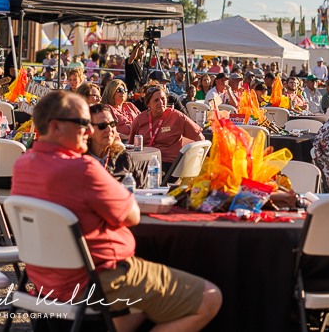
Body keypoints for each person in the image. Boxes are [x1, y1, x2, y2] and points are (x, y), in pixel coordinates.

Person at [12, 90, 221, 328]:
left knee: (141, 309)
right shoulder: (83, 168)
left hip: (47, 281)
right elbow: (132, 215)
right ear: (56, 127)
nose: (89, 131)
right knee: (210, 298)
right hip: (99, 279)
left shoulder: (22, 164)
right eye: (83, 123)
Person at [128, 85, 202, 167]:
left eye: (163, 99)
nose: (161, 102)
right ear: (148, 104)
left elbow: (200, 138)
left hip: (169, 164)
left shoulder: (176, 116)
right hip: (144, 162)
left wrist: (192, 162)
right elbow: (130, 146)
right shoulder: (139, 120)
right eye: (156, 100)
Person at [88, 104, 143, 184]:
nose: (109, 129)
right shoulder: (78, 161)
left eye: (112, 124)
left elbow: (141, 188)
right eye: (102, 126)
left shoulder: (123, 158)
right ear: (89, 129)